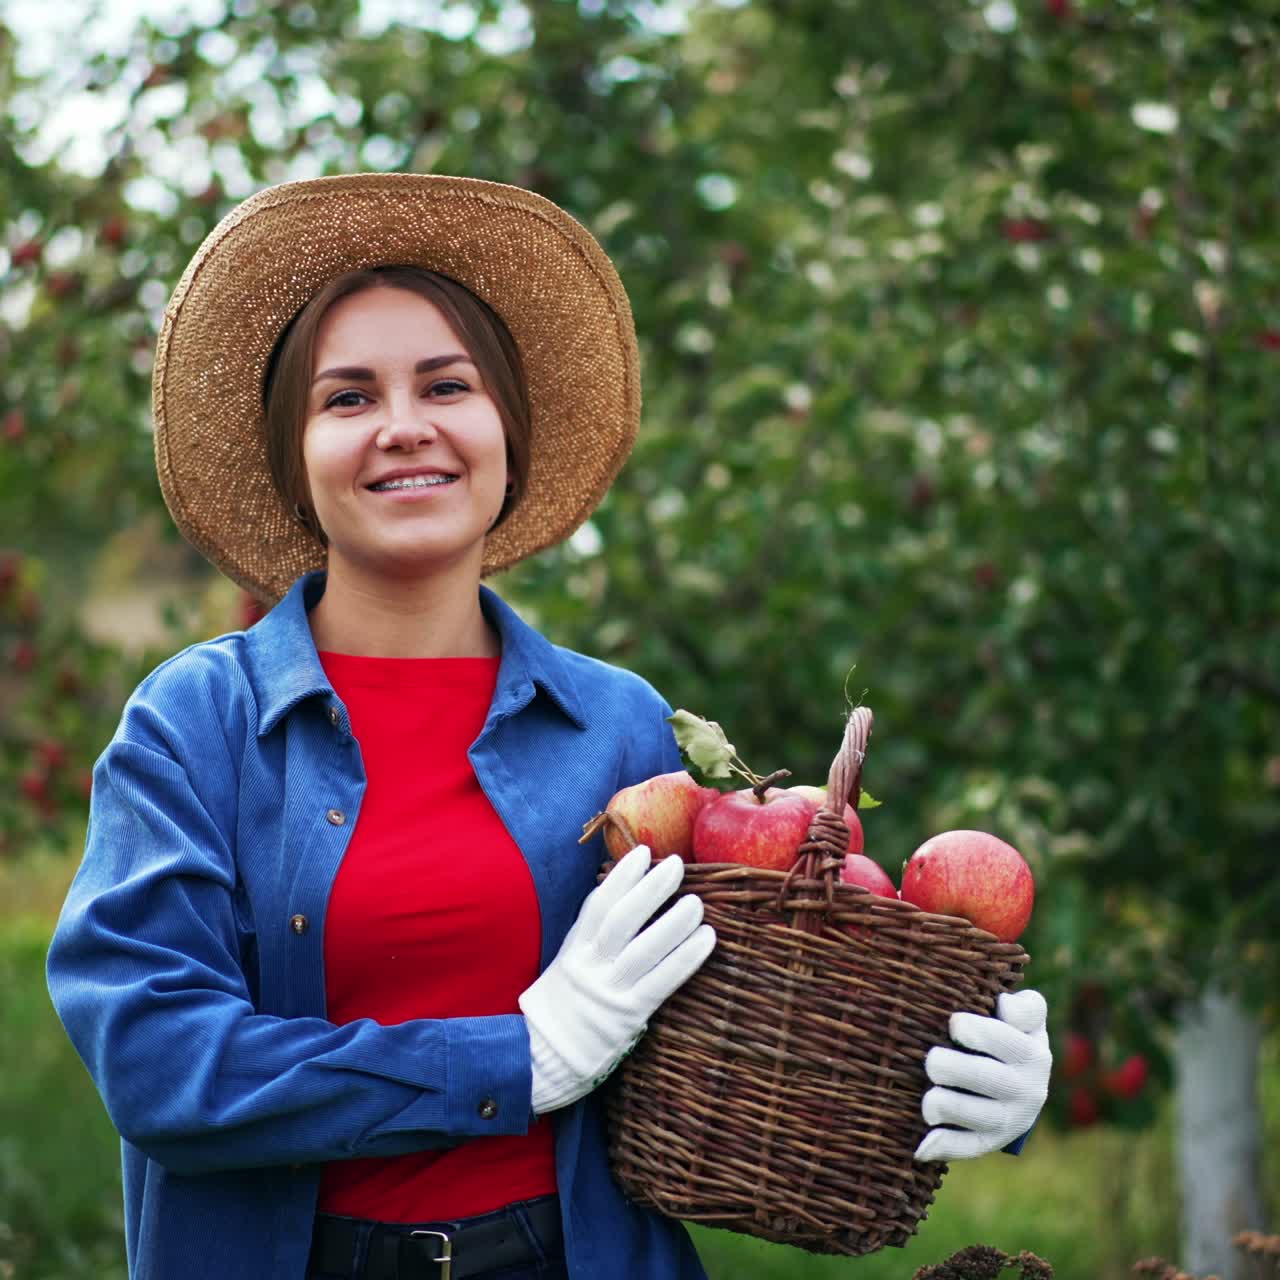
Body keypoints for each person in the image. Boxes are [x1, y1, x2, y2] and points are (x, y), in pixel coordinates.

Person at [46, 174, 1052, 1280]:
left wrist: (956, 1058)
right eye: (346, 398)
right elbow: (156, 1061)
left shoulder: (613, 723)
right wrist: (514, 1058)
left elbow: (750, 1013)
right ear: (294, 458)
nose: (403, 426)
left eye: (446, 383)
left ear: (506, 434)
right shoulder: (198, 721)